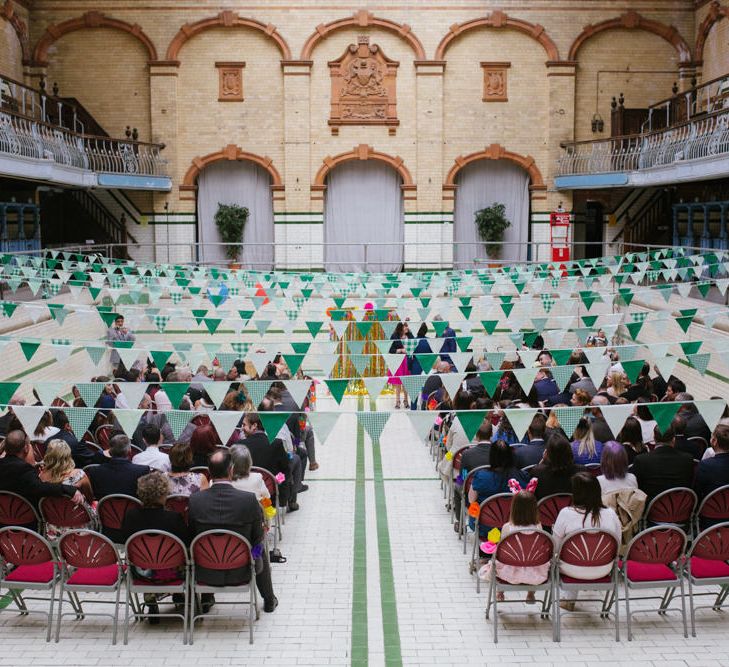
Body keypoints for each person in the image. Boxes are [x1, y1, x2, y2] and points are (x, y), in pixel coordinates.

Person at [187, 450, 278, 613]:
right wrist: (254, 553)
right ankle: (269, 599)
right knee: (260, 547)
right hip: (243, 569)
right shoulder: (249, 500)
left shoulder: (195, 501)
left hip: (205, 571)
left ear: (209, 472)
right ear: (231, 470)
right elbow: (257, 538)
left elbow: (192, 537)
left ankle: (206, 598)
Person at [121, 471, 191, 621]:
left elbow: (125, 542)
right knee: (185, 558)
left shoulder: (130, 516)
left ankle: (150, 597)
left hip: (141, 573)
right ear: (163, 493)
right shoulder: (173, 518)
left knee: (150, 561)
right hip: (173, 573)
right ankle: (179, 594)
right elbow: (186, 544)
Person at [552, 472, 622, 610]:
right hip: (604, 568)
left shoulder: (566, 513)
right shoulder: (611, 514)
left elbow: (555, 547)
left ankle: (567, 599)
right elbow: (617, 545)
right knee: (580, 554)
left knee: (561, 556)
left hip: (570, 569)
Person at [479, 490, 547, 603]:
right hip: (534, 573)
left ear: (514, 508)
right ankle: (530, 593)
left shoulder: (507, 527)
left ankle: (500, 591)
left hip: (509, 573)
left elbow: (503, 551)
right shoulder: (538, 526)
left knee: (498, 561)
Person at [0, 430, 85, 510]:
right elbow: (41, 488)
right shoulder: (24, 469)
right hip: (26, 519)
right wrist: (68, 489)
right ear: (26, 448)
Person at [468, 440, 526, 545]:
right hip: (514, 526)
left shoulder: (481, 476)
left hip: (485, 526)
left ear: (491, 456)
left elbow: (471, 499)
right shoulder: (521, 476)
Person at [235, 412, 294, 510]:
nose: (242, 428)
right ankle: (289, 502)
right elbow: (285, 470)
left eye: (244, 425)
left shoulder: (239, 445)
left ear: (254, 426)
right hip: (270, 487)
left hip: (243, 487)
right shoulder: (276, 443)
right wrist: (277, 482)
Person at [631, 423, 694, 503]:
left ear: (654, 439)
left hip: (651, 510)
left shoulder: (641, 460)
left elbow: (636, 488)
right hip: (680, 508)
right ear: (673, 439)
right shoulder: (687, 459)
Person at [85, 434, 151, 499]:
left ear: (110, 451)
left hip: (104, 509)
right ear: (129, 451)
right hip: (134, 508)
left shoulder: (94, 471)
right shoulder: (142, 471)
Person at [532, 433, 586, 500]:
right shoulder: (581, 471)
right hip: (575, 509)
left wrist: (543, 460)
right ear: (569, 451)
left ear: (548, 454)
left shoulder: (537, 472)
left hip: (547, 510)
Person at [694, 424, 729, 511]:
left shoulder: (705, 465)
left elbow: (697, 491)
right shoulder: (706, 465)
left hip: (711, 512)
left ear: (714, 441)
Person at [388, 322, 412, 409]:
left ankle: (406, 400)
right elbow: (390, 349)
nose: (407, 328)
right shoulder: (394, 336)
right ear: (400, 327)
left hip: (407, 361)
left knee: (406, 382)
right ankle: (397, 401)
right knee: (398, 382)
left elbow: (414, 346)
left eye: (407, 326)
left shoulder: (410, 335)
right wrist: (401, 350)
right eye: (405, 326)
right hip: (397, 361)